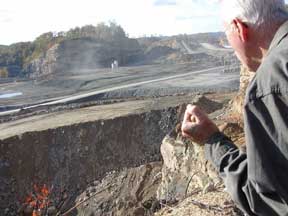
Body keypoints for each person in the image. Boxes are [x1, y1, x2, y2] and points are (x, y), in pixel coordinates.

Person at [181, 0, 288, 215]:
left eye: (226, 36)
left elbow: (270, 202)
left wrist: (213, 141)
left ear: (239, 28)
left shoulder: (270, 83)